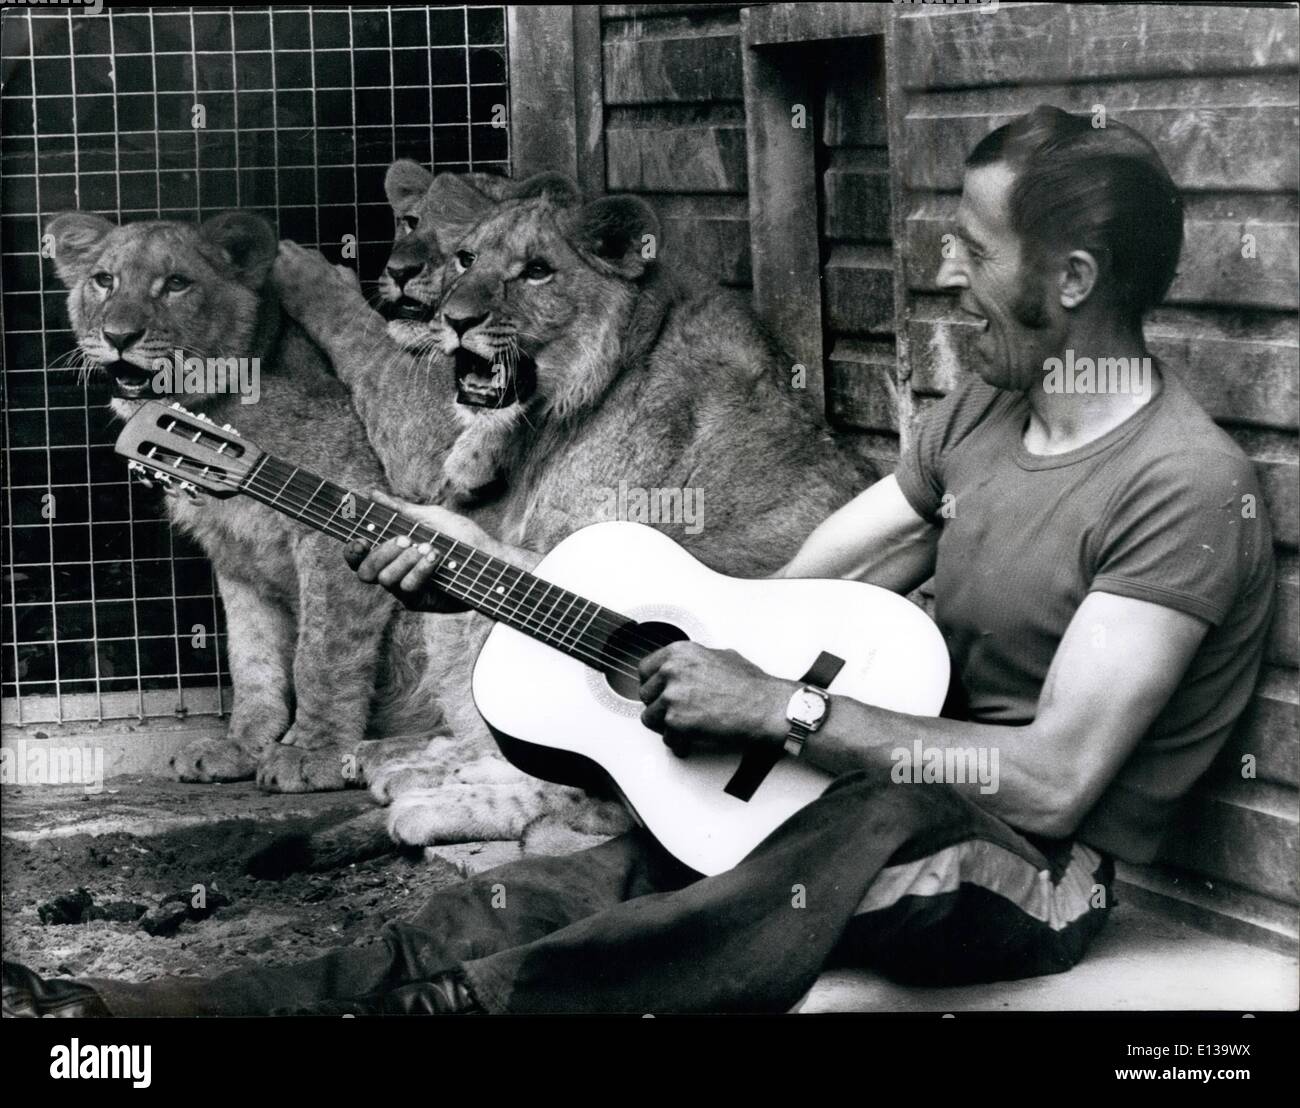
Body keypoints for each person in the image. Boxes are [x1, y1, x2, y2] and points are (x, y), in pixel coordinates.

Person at [3, 105, 1275, 1018]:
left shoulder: (1180, 483)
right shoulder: (976, 421)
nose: (943, 271)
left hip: (1028, 865)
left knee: (810, 848)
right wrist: (480, 569)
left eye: (975, 251)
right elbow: (772, 605)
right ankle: (121, 1019)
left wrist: (782, 707)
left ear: (1070, 276)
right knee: (551, 889)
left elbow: (1053, 782)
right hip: (840, 780)